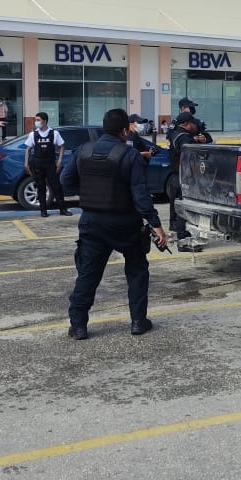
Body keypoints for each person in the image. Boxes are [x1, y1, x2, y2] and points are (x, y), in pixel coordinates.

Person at [61, 108, 167, 339]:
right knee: (137, 271)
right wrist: (156, 225)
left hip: (92, 222)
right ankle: (138, 321)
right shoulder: (131, 156)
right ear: (125, 130)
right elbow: (140, 195)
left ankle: (78, 326)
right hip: (125, 222)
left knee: (88, 274)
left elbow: (65, 181)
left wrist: (90, 192)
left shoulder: (83, 150)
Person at [166, 111, 203, 252]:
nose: (195, 125)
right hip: (183, 176)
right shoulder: (184, 138)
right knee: (184, 208)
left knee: (177, 207)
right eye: (193, 123)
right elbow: (190, 156)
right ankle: (183, 240)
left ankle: (180, 232)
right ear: (187, 124)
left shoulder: (175, 134)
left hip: (175, 176)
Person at [24, 112, 72, 217]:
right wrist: (26, 163)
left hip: (50, 163)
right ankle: (43, 210)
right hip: (37, 164)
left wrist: (59, 161)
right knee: (40, 187)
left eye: (38, 120)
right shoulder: (33, 134)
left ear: (44, 121)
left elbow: (62, 146)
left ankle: (63, 209)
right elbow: (28, 149)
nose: (36, 122)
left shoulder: (54, 133)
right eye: (35, 120)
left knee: (56, 186)